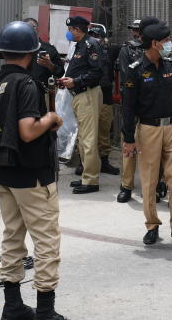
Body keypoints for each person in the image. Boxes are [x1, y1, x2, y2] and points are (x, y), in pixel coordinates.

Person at [0, 20, 83, 320]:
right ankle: (46, 315)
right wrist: (50, 118)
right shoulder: (25, 84)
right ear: (30, 53)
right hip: (32, 175)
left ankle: (12, 308)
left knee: (13, 239)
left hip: (5, 174)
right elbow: (26, 131)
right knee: (47, 243)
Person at [122, 22, 172, 248]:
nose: (170, 44)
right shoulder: (135, 69)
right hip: (149, 130)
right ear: (154, 43)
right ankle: (152, 225)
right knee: (150, 181)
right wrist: (129, 138)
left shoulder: (171, 64)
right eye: (166, 40)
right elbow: (128, 106)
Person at [113, 17, 159, 203]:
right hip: (133, 105)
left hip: (153, 107)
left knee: (154, 150)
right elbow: (127, 78)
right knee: (129, 144)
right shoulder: (128, 50)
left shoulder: (159, 50)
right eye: (133, 29)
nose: (135, 33)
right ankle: (126, 185)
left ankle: (157, 184)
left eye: (138, 30)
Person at [59, 15, 104, 194]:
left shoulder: (91, 44)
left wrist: (75, 81)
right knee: (83, 137)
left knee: (89, 138)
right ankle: (87, 175)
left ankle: (91, 180)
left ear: (77, 29)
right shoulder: (80, 45)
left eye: (71, 30)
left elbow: (97, 72)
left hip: (87, 94)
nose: (69, 33)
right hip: (79, 95)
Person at [89, 23, 121, 177]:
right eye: (92, 36)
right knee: (88, 132)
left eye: (98, 36)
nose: (95, 39)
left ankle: (104, 161)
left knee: (104, 129)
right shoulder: (83, 50)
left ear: (104, 38)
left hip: (106, 96)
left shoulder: (111, 50)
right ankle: (86, 164)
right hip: (89, 95)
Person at [23, 17, 64, 86]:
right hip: (20, 89)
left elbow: (60, 72)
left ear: (37, 29)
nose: (28, 30)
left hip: (40, 90)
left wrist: (50, 65)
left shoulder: (49, 49)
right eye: (25, 28)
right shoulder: (18, 47)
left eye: (31, 27)